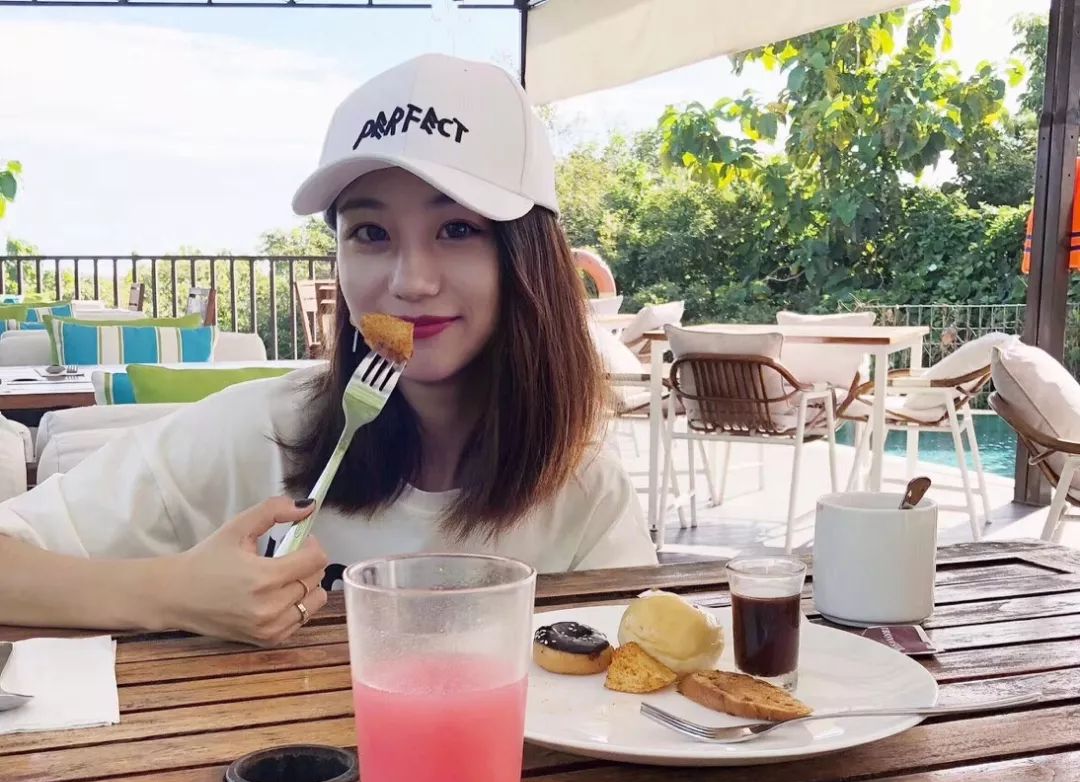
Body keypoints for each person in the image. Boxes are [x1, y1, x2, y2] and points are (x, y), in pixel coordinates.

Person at [0, 53, 656, 645]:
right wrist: (175, 593)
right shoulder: (256, 433)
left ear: (527, 256)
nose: (411, 282)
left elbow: (635, 676)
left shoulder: (583, 487)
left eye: (457, 228)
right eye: (370, 232)